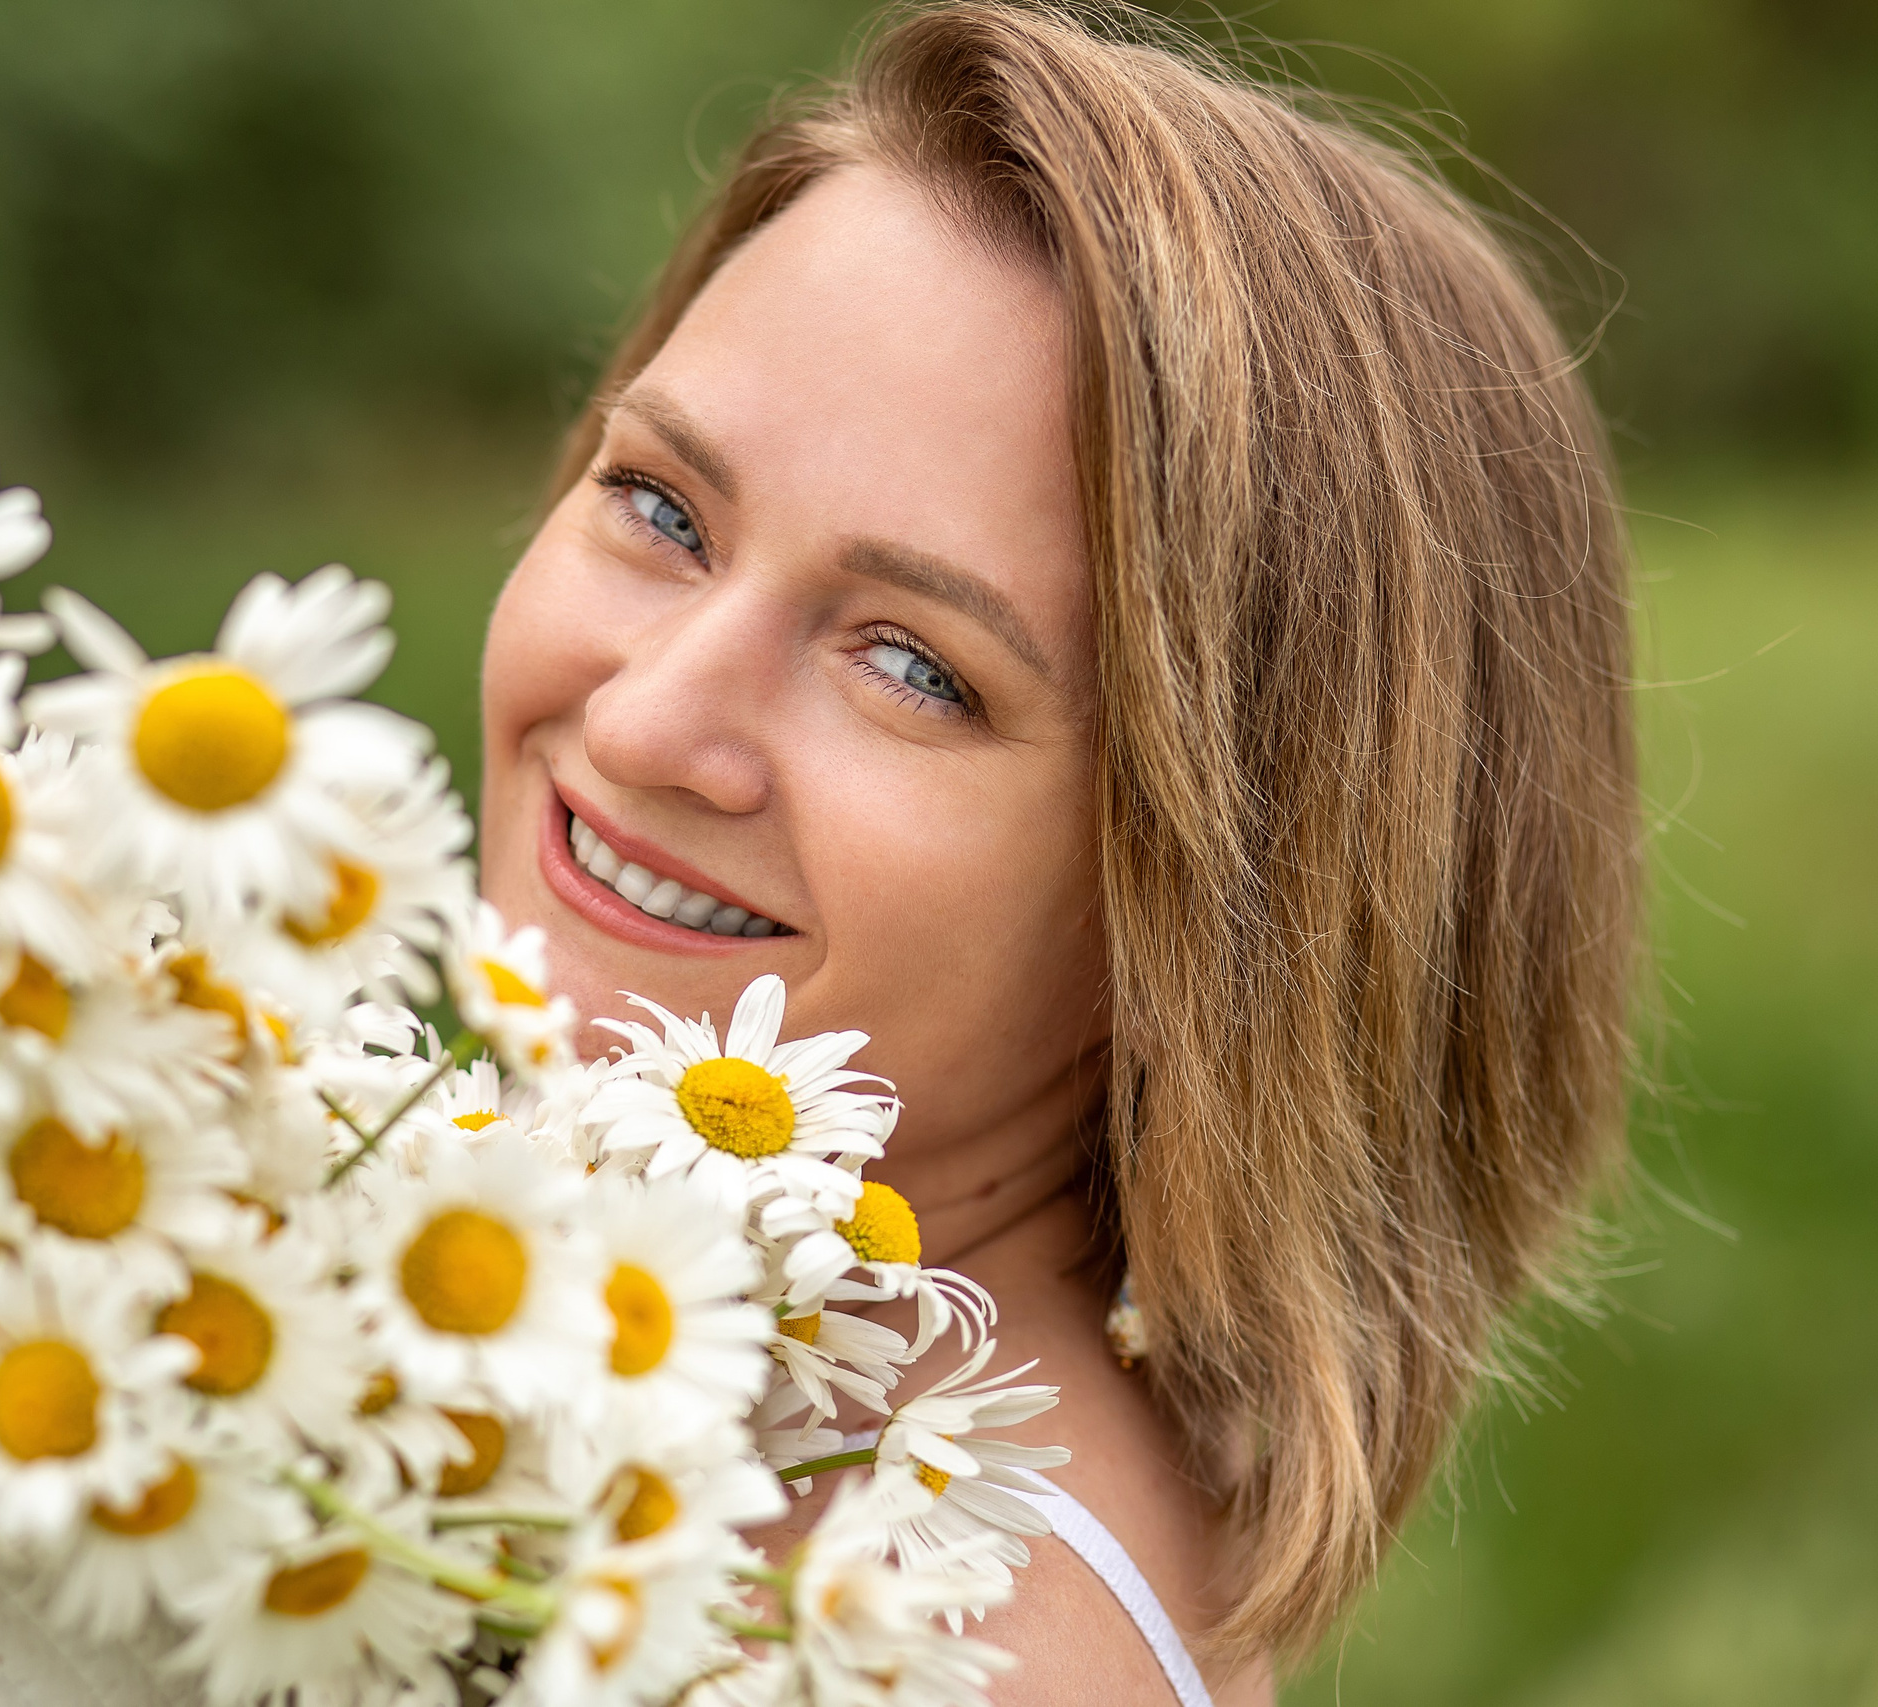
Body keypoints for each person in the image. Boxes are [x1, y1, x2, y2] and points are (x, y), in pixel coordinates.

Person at [474, 4, 1644, 1701]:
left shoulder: (921, 1650)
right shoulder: (662, 1399)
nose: (652, 725)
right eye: (661, 508)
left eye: (916, 669)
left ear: (1236, 921)